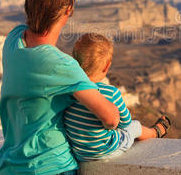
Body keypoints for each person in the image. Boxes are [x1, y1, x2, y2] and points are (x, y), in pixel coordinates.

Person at [0, 0, 120, 175]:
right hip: (51, 167)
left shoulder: (13, 40)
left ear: (28, 5)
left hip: (9, 167)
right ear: (69, 11)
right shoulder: (62, 65)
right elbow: (111, 118)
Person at [64, 33, 171, 161]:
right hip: (106, 151)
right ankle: (155, 132)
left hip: (79, 153)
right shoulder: (111, 92)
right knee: (135, 126)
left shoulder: (68, 89)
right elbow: (125, 122)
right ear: (107, 66)